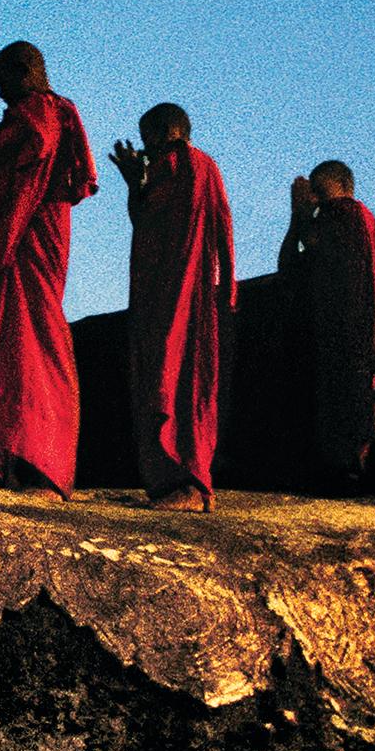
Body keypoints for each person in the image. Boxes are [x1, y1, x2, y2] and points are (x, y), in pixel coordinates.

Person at [0, 41, 97, 493]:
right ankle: (18, 456)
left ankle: (45, 466)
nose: (2, 94)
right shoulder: (22, 115)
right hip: (16, 243)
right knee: (15, 346)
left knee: (37, 344)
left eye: (4, 81)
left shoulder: (40, 112)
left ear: (24, 70)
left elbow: (28, 156)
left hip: (32, 236)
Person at [110, 103, 234, 511]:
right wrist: (134, 183)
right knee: (158, 375)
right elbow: (146, 225)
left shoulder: (191, 164)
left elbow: (193, 233)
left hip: (183, 292)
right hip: (159, 291)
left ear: (166, 132)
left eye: (147, 138)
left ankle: (192, 481)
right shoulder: (169, 169)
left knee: (180, 376)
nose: (144, 148)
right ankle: (170, 479)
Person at [281, 158, 375, 487]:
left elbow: (300, 254)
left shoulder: (343, 214)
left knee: (345, 403)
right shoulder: (361, 219)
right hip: (349, 330)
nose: (314, 199)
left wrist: (298, 216)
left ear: (340, 187)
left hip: (346, 331)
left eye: (319, 191)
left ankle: (348, 470)